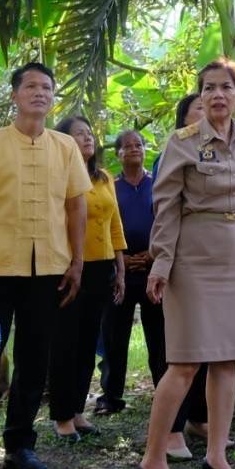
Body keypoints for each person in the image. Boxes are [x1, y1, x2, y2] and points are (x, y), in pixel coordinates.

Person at [137, 60, 235, 469]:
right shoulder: (181, 142)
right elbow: (165, 207)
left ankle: (216, 455)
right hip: (194, 259)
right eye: (209, 88)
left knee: (229, 359)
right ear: (200, 96)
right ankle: (153, 458)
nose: (217, 95)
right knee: (183, 362)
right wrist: (161, 264)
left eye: (226, 88)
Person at [0, 61, 90, 469]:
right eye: (30, 86)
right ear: (14, 95)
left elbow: (77, 205)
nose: (39, 93)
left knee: (34, 356)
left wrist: (77, 261)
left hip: (50, 270)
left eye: (46, 87)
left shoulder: (65, 147)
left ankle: (19, 444)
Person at [47, 116, 126, 442]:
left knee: (88, 343)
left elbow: (114, 226)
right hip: (70, 268)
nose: (87, 138)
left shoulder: (104, 177)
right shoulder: (58, 176)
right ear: (64, 142)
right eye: (79, 134)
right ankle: (61, 415)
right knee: (66, 342)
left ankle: (78, 410)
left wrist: (119, 269)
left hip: (102, 267)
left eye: (89, 132)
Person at [96, 130, 167, 423]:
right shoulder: (110, 187)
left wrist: (152, 254)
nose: (134, 149)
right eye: (127, 146)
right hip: (120, 272)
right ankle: (110, 397)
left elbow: (168, 221)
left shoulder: (159, 185)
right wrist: (120, 258)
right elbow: (103, 224)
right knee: (114, 337)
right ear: (118, 154)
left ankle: (164, 394)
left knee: (160, 338)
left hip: (155, 271)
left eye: (139, 144)